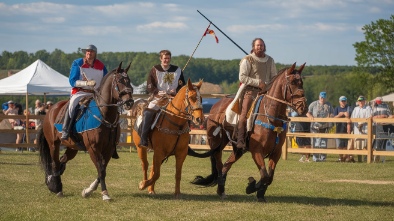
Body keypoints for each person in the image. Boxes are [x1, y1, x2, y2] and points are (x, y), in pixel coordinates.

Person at [235, 38, 277, 150]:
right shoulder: (248, 60)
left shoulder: (270, 60)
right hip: (250, 91)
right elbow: (242, 77)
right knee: (245, 113)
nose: (260, 47)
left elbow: (274, 76)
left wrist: (268, 85)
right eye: (258, 45)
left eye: (261, 45)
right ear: (253, 46)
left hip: (267, 92)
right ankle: (241, 139)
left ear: (264, 47)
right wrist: (258, 82)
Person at [139, 49, 186, 148]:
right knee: (148, 112)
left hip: (173, 98)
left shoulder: (177, 70)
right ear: (161, 59)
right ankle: (144, 138)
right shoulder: (155, 69)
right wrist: (157, 91)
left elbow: (183, 86)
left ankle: (185, 139)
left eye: (168, 58)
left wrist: (176, 90)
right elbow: (149, 85)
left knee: (185, 112)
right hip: (159, 97)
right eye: (165, 58)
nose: (166, 60)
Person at [61, 44, 108, 140]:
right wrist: (86, 83)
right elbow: (72, 81)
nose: (89, 53)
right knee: (72, 105)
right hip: (80, 92)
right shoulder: (78, 63)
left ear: (95, 54)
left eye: (91, 51)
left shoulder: (101, 66)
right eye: (87, 51)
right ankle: (66, 130)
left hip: (96, 93)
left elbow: (106, 80)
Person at [306, 92, 333, 162]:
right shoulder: (313, 104)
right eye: (321, 97)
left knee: (323, 143)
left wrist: (330, 116)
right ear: (319, 97)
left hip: (325, 127)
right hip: (315, 127)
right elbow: (307, 112)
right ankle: (315, 158)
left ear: (325, 98)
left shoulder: (329, 105)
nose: (322, 99)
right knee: (316, 143)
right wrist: (310, 116)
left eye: (324, 97)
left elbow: (332, 113)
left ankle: (323, 158)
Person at [347, 95, 372, 162]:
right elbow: (352, 118)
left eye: (362, 101)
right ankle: (359, 160)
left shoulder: (368, 108)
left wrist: (362, 123)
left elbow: (369, 117)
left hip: (365, 129)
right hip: (357, 130)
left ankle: (367, 159)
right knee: (358, 145)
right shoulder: (356, 109)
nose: (360, 102)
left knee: (366, 145)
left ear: (364, 101)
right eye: (359, 101)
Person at [371, 97, 392, 162]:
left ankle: (383, 159)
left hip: (385, 126)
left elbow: (390, 115)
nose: (378, 102)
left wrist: (385, 117)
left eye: (379, 101)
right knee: (377, 143)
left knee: (384, 143)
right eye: (377, 101)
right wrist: (379, 117)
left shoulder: (386, 106)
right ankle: (376, 158)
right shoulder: (374, 107)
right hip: (377, 127)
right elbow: (372, 116)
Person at [333, 96, 353, 162]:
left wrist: (348, 116)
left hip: (346, 129)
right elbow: (333, 118)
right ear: (339, 102)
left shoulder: (349, 108)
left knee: (345, 145)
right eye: (342, 101)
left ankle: (344, 158)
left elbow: (352, 117)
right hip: (338, 128)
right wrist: (339, 115)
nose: (343, 102)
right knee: (339, 145)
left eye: (344, 101)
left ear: (346, 101)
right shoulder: (337, 108)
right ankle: (340, 157)